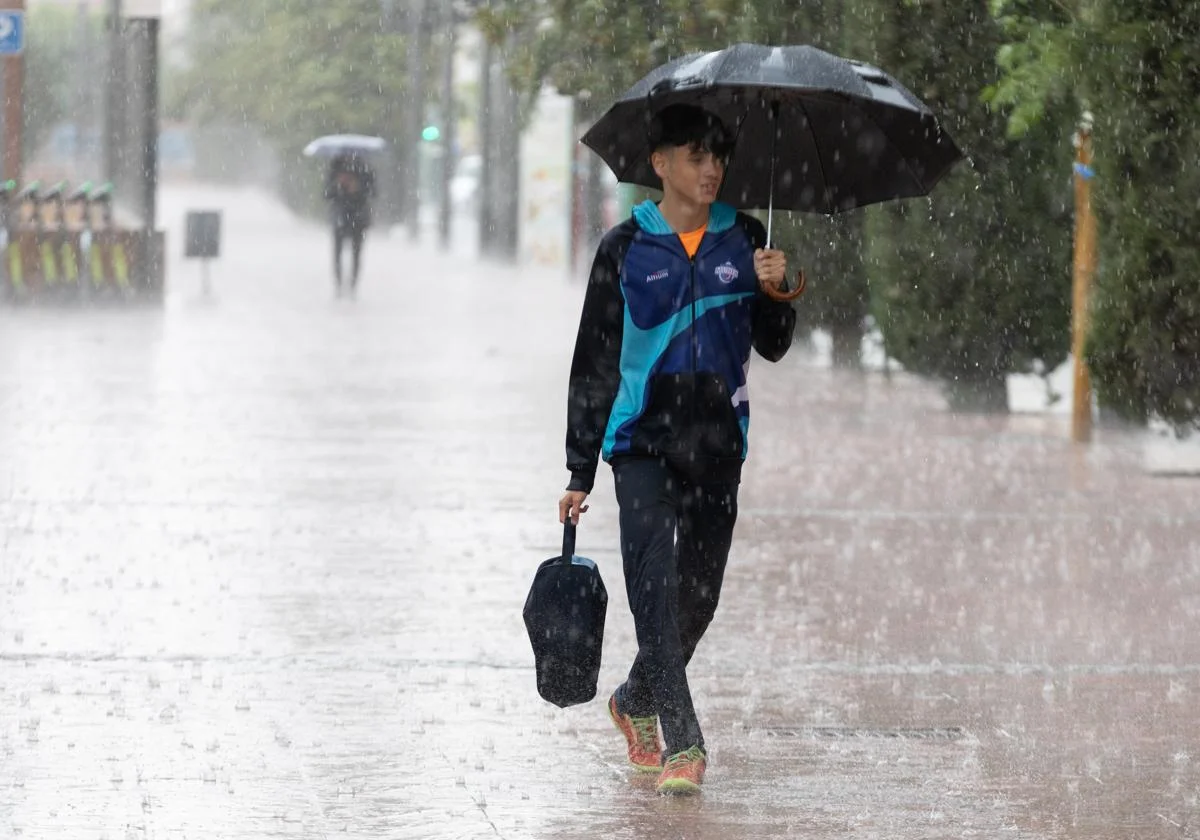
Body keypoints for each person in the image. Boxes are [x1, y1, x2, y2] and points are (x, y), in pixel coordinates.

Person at [558, 103, 796, 795]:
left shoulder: (744, 239)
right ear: (660, 164)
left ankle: (635, 698)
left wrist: (776, 290)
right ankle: (685, 743)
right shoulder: (624, 248)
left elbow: (773, 346)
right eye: (697, 156)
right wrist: (580, 467)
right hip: (640, 446)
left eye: (718, 156)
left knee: (698, 600)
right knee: (654, 590)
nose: (712, 169)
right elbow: (594, 362)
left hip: (721, 444)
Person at [323, 151, 375, 295]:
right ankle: (338, 285)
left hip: (358, 219)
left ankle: (353, 285)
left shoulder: (364, 169)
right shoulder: (335, 168)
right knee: (337, 253)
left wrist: (358, 189)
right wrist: (339, 186)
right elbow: (326, 194)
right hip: (340, 218)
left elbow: (373, 192)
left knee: (356, 253)